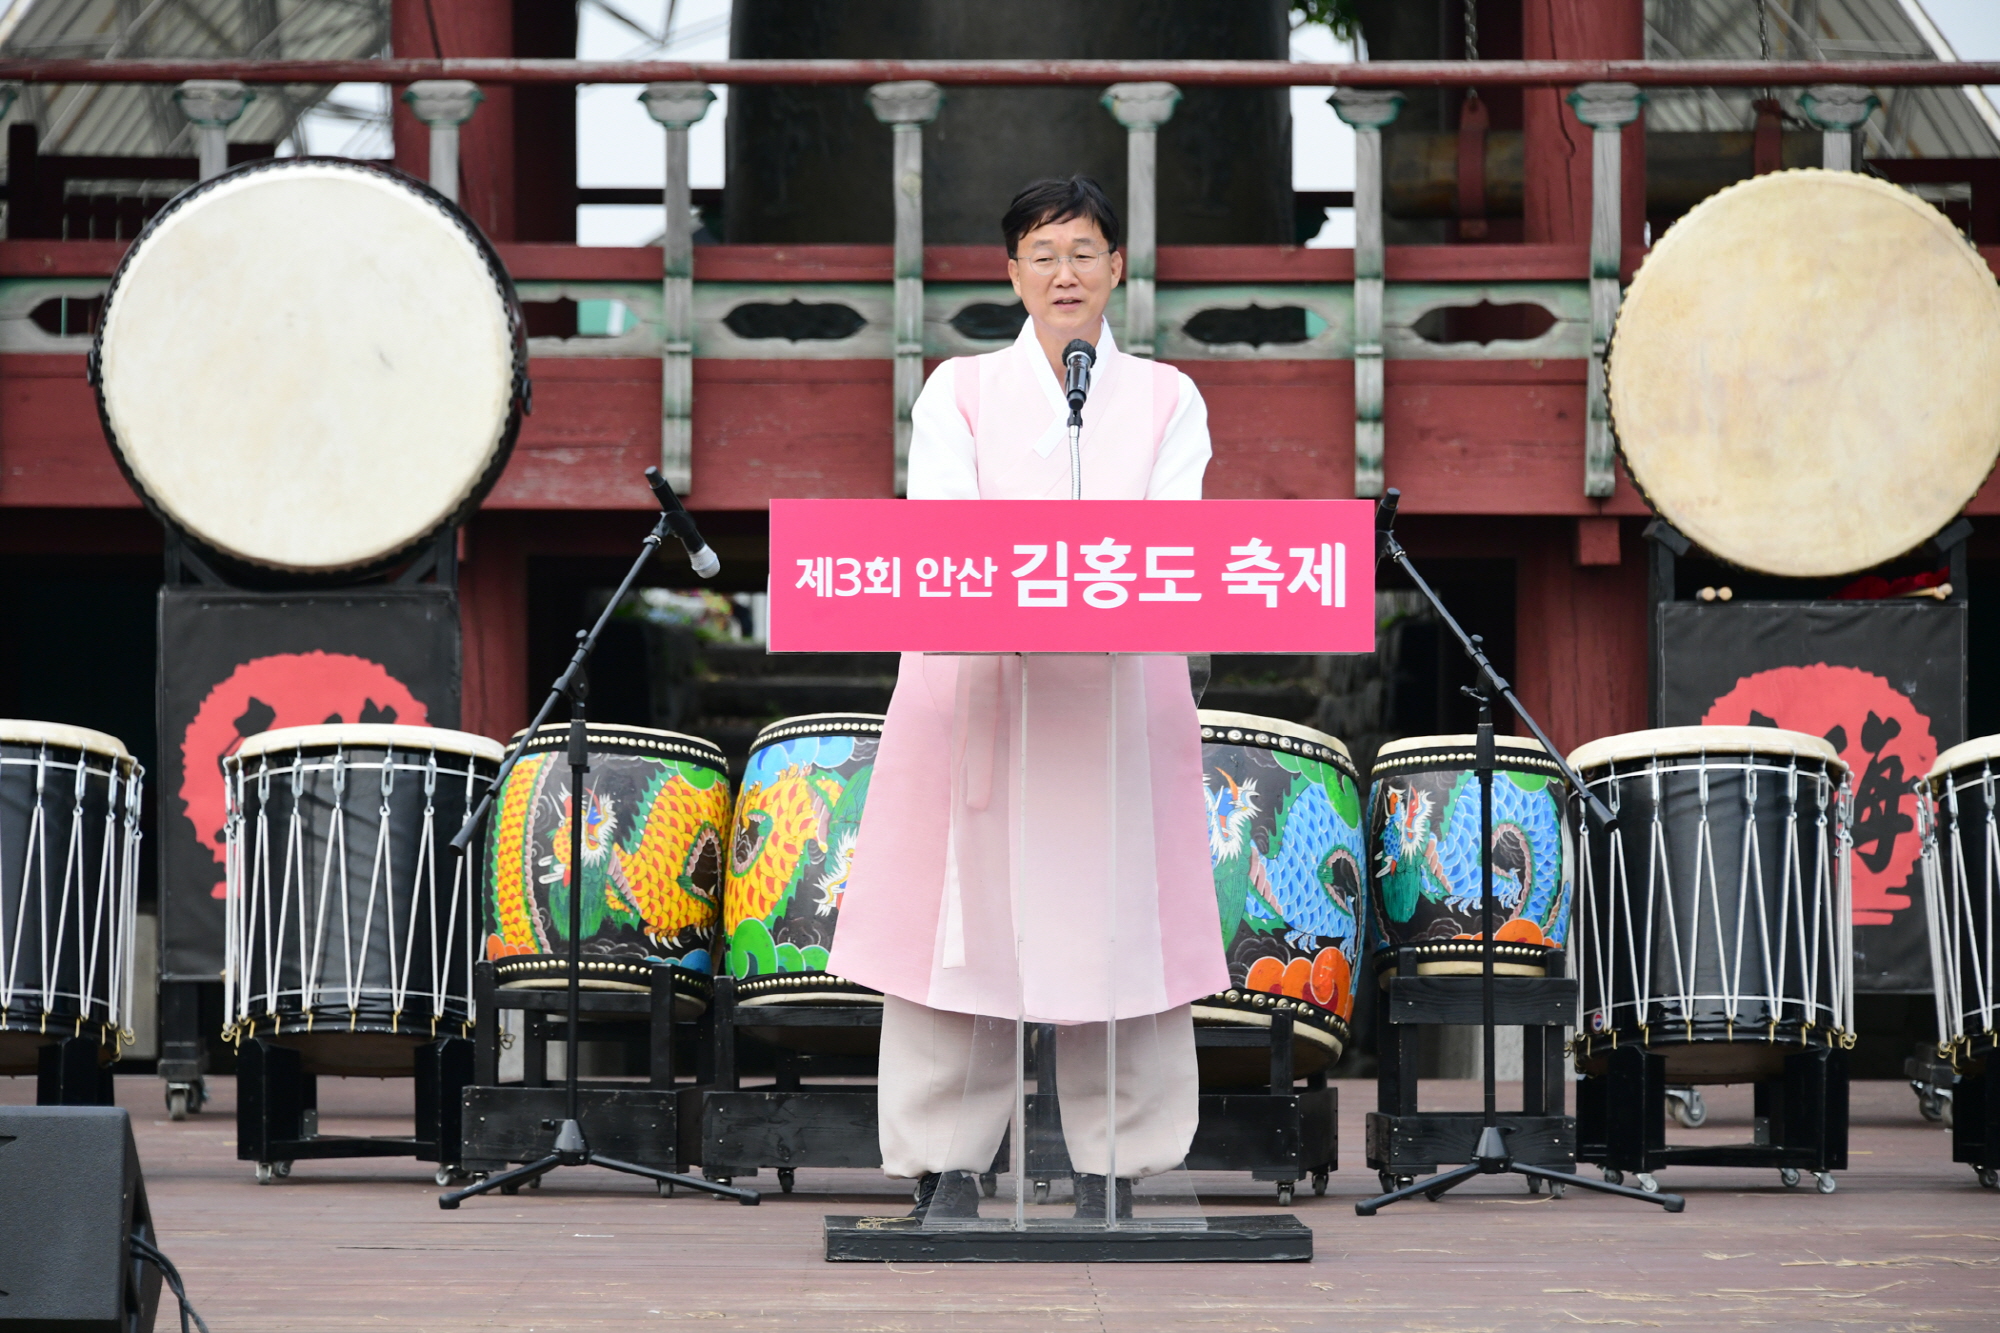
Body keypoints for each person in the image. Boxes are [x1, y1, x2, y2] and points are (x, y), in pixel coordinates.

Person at [826, 176, 1226, 1220]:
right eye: (1042, 254)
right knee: (961, 929)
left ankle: (1116, 1164)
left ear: (1117, 268)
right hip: (985, 689)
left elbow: (1173, 539)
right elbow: (947, 531)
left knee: (1124, 923)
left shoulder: (1166, 397)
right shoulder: (957, 391)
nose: (1064, 273)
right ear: (1011, 273)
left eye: (1084, 252)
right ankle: (946, 1162)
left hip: (1113, 694)